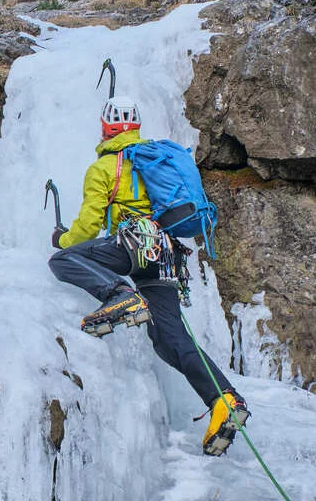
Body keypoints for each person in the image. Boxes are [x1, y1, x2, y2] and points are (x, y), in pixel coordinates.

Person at [48, 95, 250, 457]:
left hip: (132, 246)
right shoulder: (154, 160)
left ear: (107, 128)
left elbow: (89, 227)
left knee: (63, 259)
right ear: (137, 127)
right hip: (166, 256)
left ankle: (118, 294)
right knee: (168, 337)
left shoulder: (106, 167)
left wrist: (61, 238)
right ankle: (225, 399)